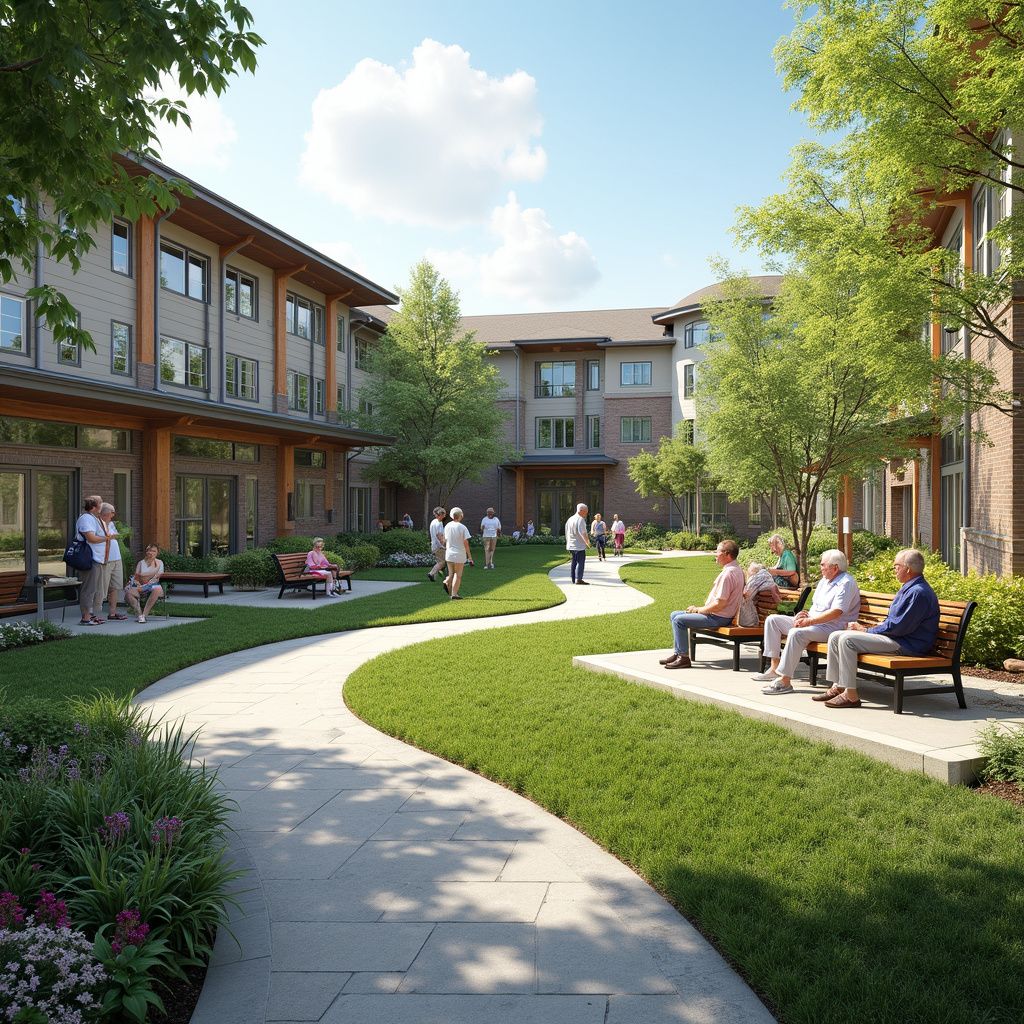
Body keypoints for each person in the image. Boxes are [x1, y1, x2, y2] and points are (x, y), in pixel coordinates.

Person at [816, 548, 939, 709]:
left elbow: (898, 627)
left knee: (847, 640)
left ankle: (851, 696)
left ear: (907, 569)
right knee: (836, 636)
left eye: (897, 566)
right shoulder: (910, 587)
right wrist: (872, 628)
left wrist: (866, 631)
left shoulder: (918, 592)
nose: (894, 570)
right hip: (897, 638)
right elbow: (895, 623)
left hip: (907, 644)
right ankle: (838, 686)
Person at [754, 549, 861, 695]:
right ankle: (774, 668)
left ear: (835, 568)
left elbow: (837, 612)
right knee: (773, 620)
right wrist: (803, 615)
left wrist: (809, 621)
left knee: (796, 633)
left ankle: (785, 681)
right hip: (814, 623)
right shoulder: (824, 581)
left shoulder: (846, 583)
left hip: (832, 627)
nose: (820, 567)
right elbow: (817, 607)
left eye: (823, 564)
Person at [661, 540, 744, 668]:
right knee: (674, 615)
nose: (715, 555)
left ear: (727, 555)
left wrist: (698, 610)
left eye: (718, 552)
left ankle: (683, 658)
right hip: (720, 615)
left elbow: (720, 604)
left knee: (679, 620)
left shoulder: (728, 574)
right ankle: (678, 653)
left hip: (718, 617)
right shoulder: (736, 569)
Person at [75, 495, 107, 625]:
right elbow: (91, 538)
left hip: (97, 559)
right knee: (88, 589)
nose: (102, 505)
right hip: (89, 559)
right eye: (100, 502)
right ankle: (86, 618)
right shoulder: (86, 518)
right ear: (94, 507)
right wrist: (107, 538)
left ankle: (91, 615)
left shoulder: (93, 518)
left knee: (95, 589)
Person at [94, 503, 127, 621]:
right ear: (106, 513)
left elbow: (116, 536)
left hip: (116, 559)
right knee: (101, 588)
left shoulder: (111, 524)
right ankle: (96, 614)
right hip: (105, 560)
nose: (113, 515)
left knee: (115, 587)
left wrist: (112, 534)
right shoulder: (96, 524)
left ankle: (112, 613)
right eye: (112, 513)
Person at [125, 544, 164, 623]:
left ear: (157, 553)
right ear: (146, 552)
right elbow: (136, 577)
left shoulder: (159, 562)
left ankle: (144, 615)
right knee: (129, 593)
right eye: (149, 550)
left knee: (157, 588)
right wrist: (138, 582)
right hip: (140, 585)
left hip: (152, 585)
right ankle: (139, 615)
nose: (151, 553)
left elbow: (157, 577)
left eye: (154, 551)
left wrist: (143, 576)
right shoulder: (141, 563)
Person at [443, 506, 473, 599]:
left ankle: (446, 581)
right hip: (459, 554)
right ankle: (454, 594)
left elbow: (445, 540)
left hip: (449, 553)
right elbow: (466, 543)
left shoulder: (447, 526)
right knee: (458, 575)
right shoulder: (462, 527)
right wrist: (470, 557)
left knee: (451, 573)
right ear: (461, 516)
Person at [738, 561, 781, 627]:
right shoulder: (766, 575)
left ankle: (748, 623)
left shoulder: (756, 577)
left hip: (763, 615)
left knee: (743, 600)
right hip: (773, 606)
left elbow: (747, 594)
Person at [564, 503, 591, 585]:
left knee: (574, 562)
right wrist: (588, 543)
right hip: (578, 546)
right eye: (586, 512)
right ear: (581, 510)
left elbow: (566, 532)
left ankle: (573, 579)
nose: (586, 513)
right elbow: (583, 533)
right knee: (581, 562)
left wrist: (568, 542)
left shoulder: (570, 519)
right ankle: (579, 579)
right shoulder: (580, 520)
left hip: (571, 545)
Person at [427, 507, 447, 582]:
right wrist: (443, 545)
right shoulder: (438, 523)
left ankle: (436, 576)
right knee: (442, 562)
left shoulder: (434, 522)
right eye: (444, 514)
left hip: (434, 545)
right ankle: (431, 573)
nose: (445, 516)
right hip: (438, 546)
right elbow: (439, 536)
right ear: (440, 514)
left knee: (440, 561)